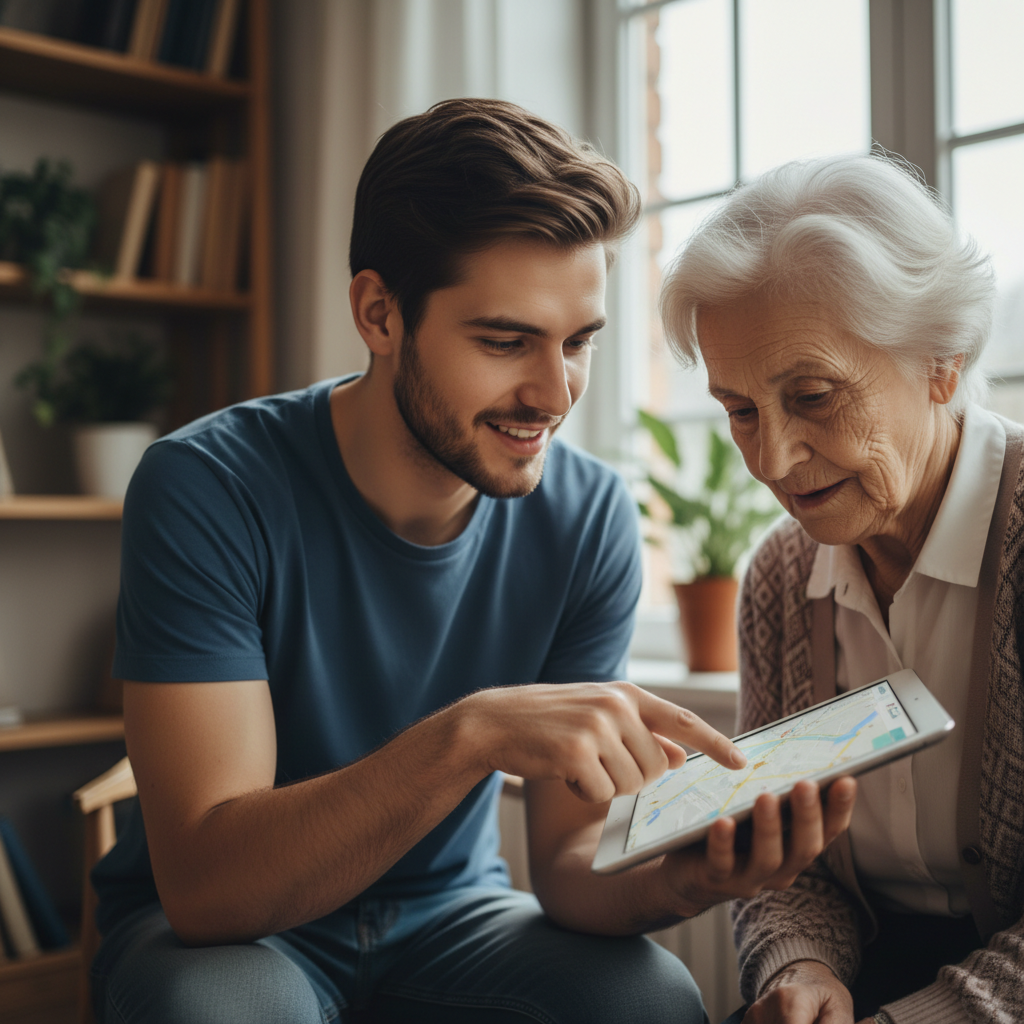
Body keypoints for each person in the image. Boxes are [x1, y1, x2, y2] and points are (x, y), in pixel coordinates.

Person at [90, 99, 856, 1024]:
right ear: (379, 313)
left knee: (648, 1000)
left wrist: (684, 880)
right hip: (238, 935)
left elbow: (570, 869)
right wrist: (472, 735)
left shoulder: (588, 517)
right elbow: (212, 892)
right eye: (504, 342)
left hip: (452, 917)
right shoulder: (204, 486)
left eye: (577, 343)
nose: (552, 392)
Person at [659, 152, 1024, 1024]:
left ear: (944, 360)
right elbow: (791, 865)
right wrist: (804, 970)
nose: (771, 461)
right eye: (740, 410)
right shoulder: (782, 579)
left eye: (814, 396)